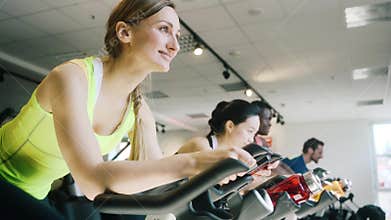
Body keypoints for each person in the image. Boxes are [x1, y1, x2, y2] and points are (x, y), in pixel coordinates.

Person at [0, 1, 255, 219]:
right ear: (124, 32)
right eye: (164, 29)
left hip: (34, 193)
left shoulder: (139, 110)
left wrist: (212, 173)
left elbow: (157, 185)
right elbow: (93, 181)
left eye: (177, 35)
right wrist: (194, 162)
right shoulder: (72, 78)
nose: (175, 46)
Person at [178, 99, 276, 182]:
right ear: (230, 126)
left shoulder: (231, 156)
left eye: (254, 134)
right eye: (250, 131)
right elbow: (214, 179)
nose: (251, 139)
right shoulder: (199, 144)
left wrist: (256, 173)